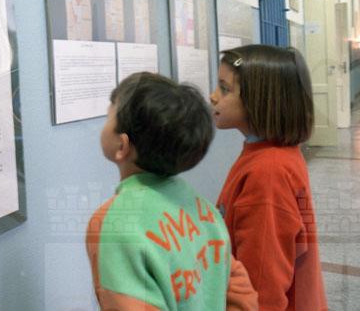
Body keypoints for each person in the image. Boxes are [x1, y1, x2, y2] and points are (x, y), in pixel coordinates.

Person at [87, 72, 257, 310]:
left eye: (109, 117)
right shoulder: (203, 208)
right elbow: (239, 288)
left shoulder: (113, 222)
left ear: (121, 146)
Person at [210, 45, 327, 310]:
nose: (213, 96)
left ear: (259, 99)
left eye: (225, 89)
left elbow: (263, 288)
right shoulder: (267, 153)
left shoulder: (268, 172)